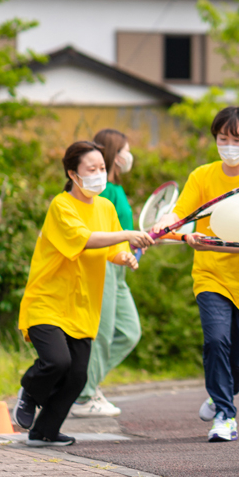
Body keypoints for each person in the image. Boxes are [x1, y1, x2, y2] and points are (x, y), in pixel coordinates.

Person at [152, 106, 239, 443]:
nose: (228, 144)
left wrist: (207, 244)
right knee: (215, 342)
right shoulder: (202, 176)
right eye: (222, 138)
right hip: (211, 277)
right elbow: (180, 215)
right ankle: (226, 415)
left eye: (235, 138)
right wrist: (168, 225)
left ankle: (220, 394)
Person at [14, 141, 154, 446]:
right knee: (56, 362)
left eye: (102, 168)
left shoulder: (104, 207)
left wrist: (124, 255)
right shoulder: (61, 206)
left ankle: (44, 431)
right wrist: (128, 235)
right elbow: (85, 239)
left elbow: (111, 249)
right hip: (48, 301)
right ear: (73, 174)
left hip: (82, 306)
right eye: (91, 169)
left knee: (78, 376)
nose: (99, 175)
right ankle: (29, 390)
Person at [69, 129, 141, 418]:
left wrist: (138, 243)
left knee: (129, 331)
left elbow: (123, 231)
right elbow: (96, 233)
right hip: (106, 264)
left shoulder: (116, 188)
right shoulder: (101, 191)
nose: (128, 155)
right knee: (103, 332)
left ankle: (80, 382)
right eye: (124, 149)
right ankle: (84, 394)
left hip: (121, 264)